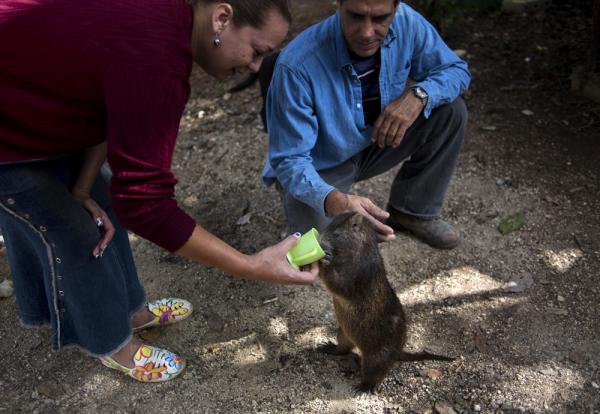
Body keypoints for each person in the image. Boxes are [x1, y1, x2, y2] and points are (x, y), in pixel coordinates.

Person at [0, 0, 318, 383]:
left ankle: (132, 310)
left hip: (39, 106)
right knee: (72, 233)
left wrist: (83, 186)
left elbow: (118, 112)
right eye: (257, 51)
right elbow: (146, 205)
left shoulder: (169, 24)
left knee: (101, 202)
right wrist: (247, 264)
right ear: (222, 17)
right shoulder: (158, 57)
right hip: (11, 125)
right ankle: (112, 343)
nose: (254, 67)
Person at [263, 0, 471, 249]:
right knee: (320, 251)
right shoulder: (296, 64)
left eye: (380, 18)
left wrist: (419, 96)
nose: (366, 32)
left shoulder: (408, 22)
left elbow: (456, 70)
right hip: (320, 164)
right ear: (338, 4)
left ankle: (412, 211)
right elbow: (289, 160)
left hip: (377, 140)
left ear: (396, 8)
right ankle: (319, 210)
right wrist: (332, 199)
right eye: (355, 16)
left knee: (451, 111)